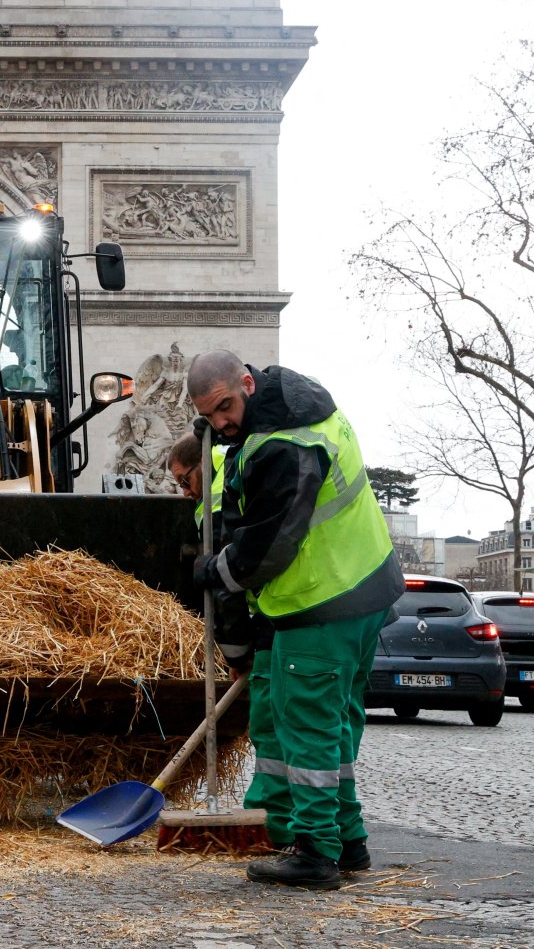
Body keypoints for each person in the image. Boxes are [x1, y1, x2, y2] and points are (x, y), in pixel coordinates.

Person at [186, 350, 401, 891]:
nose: (221, 424)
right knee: (334, 727)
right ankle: (348, 841)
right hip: (364, 590)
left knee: (306, 729)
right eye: (210, 417)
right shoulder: (306, 410)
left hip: (319, 603)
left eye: (226, 408)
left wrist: (217, 571)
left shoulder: (283, 447)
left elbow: (268, 547)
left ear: (247, 384)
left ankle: (315, 852)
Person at [167, 429, 289, 852]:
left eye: (185, 480)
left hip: (273, 621)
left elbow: (228, 589)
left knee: (270, 724)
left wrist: (237, 651)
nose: (185, 492)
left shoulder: (216, 505)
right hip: (278, 618)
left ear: (203, 465)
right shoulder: (230, 479)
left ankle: (270, 823)